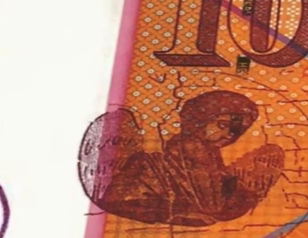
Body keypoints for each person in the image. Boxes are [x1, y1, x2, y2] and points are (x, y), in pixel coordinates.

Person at [87, 90, 285, 227]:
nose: (228, 135)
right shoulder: (190, 150)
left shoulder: (210, 157)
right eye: (222, 125)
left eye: (235, 131)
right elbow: (211, 206)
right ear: (199, 120)